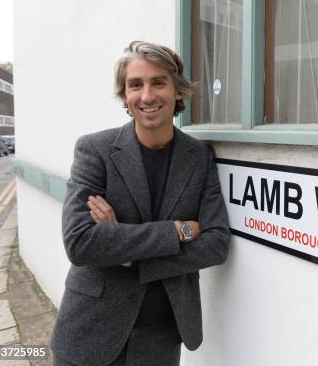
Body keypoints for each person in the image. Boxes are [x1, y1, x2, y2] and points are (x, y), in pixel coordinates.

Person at [51, 41, 231, 365]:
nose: (147, 96)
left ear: (177, 91)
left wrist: (130, 256)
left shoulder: (199, 158)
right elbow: (80, 242)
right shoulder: (96, 150)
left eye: (158, 82)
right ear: (125, 96)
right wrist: (177, 231)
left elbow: (216, 244)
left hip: (161, 337)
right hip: (90, 331)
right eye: (136, 85)